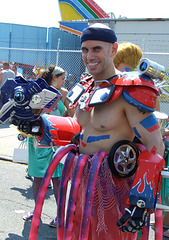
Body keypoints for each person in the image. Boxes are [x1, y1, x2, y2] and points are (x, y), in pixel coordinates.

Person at [16, 23, 165, 240]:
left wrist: (140, 202)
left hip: (114, 189)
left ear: (113, 49)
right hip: (81, 182)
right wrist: (41, 126)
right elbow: (80, 129)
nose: (89, 56)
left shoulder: (131, 91)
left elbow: (155, 146)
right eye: (85, 49)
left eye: (96, 49)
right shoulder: (86, 87)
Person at [23, 65, 74, 228]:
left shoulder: (64, 94)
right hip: (39, 140)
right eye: (62, 78)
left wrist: (66, 115)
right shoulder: (40, 91)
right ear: (54, 77)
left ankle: (60, 216)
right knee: (38, 178)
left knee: (57, 179)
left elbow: (72, 115)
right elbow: (31, 112)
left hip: (57, 141)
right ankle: (37, 212)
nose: (64, 81)